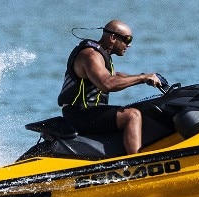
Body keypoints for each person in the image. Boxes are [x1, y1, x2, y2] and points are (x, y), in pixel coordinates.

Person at [57, 19, 162, 154]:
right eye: (127, 39)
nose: (128, 45)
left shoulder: (102, 55)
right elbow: (107, 83)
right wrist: (142, 78)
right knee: (132, 115)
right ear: (112, 37)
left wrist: (145, 77)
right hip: (79, 114)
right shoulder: (91, 55)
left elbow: (113, 76)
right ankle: (137, 164)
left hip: (90, 112)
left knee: (142, 108)